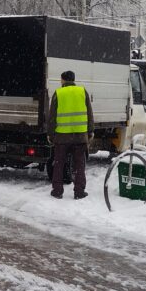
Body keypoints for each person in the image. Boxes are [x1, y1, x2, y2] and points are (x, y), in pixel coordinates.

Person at [47, 70, 95, 200]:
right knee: (79, 165)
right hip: (80, 137)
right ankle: (79, 192)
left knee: (58, 164)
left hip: (62, 137)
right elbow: (89, 114)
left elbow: (52, 117)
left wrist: (50, 134)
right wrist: (90, 131)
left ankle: (57, 191)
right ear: (73, 80)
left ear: (63, 80)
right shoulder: (82, 91)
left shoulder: (58, 93)